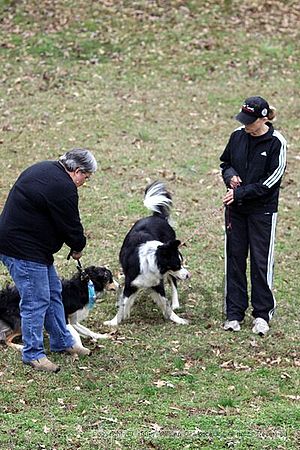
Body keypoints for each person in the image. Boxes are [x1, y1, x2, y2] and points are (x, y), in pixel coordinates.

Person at [0, 148, 97, 372]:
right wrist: (78, 246)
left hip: (30, 246)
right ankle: (33, 354)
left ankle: (62, 341)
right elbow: (71, 225)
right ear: (78, 171)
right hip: (22, 249)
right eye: (87, 178)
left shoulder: (43, 169)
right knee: (36, 300)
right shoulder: (64, 188)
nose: (85, 182)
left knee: (54, 292)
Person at [220, 96, 287, 335]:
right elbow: (225, 163)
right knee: (235, 260)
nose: (246, 125)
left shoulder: (276, 143)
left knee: (260, 263)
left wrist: (240, 194)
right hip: (236, 212)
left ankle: (262, 315)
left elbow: (270, 182)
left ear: (263, 118)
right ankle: (234, 313)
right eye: (244, 120)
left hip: (262, 212)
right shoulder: (237, 136)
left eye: (250, 121)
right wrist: (230, 177)